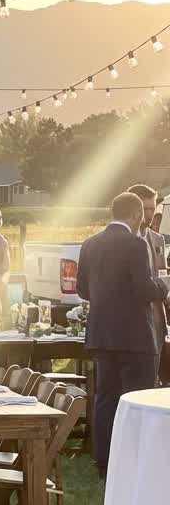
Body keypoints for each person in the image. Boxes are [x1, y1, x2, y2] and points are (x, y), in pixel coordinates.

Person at [78, 191, 170, 478]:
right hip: (135, 335)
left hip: (103, 333)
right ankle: (134, 460)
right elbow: (145, 290)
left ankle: (104, 460)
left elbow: (82, 290)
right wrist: (164, 285)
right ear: (134, 214)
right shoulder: (135, 244)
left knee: (105, 396)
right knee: (138, 398)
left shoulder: (90, 244)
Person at [126, 183, 170, 383]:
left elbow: (161, 275)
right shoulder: (122, 241)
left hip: (157, 323)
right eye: (146, 209)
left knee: (152, 383)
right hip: (130, 326)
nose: (150, 214)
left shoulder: (157, 239)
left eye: (153, 208)